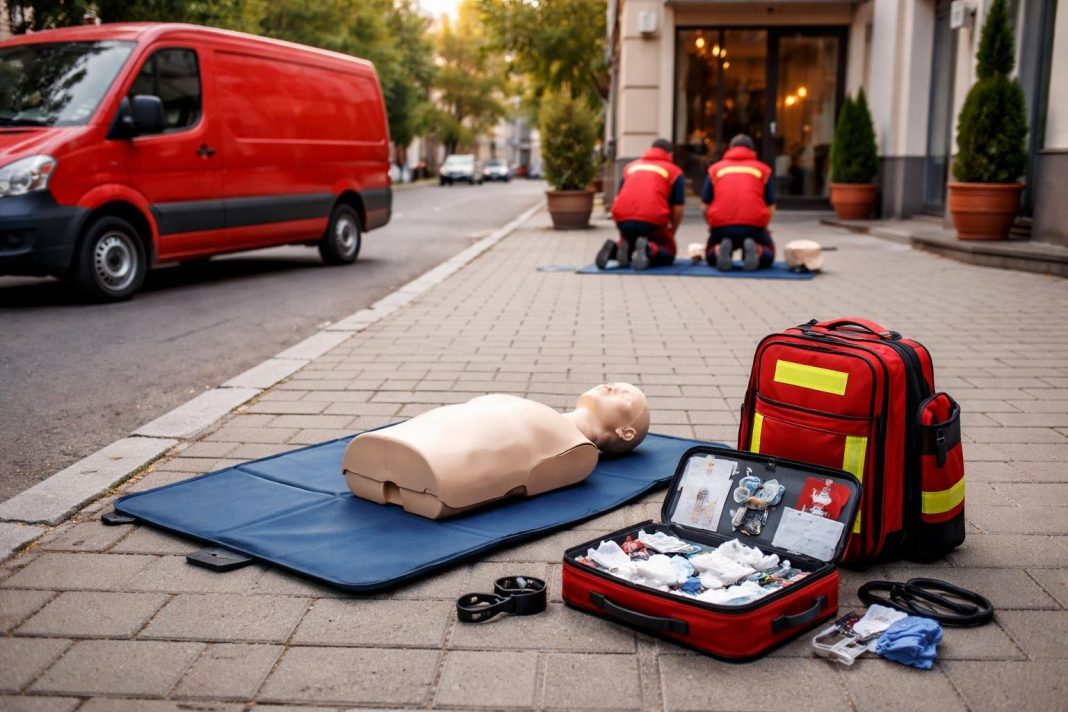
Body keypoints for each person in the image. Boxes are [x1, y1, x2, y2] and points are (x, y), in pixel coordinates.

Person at [342, 383, 651, 519]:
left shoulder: (579, 453)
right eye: (614, 383)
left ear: (626, 433)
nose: (612, 386)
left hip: (448, 461)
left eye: (625, 396)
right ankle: (400, 449)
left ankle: (421, 463)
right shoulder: (564, 435)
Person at [598, 138, 685, 270]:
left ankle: (615, 249)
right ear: (670, 154)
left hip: (622, 220)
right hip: (652, 221)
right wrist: (672, 231)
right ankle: (649, 249)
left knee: (632, 240)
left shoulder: (630, 167)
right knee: (668, 251)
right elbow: (677, 209)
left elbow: (618, 198)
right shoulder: (674, 171)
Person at [701, 134, 776, 271]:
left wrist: (712, 226)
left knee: (710, 255)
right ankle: (757, 250)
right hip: (754, 226)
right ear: (752, 151)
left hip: (722, 225)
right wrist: (763, 227)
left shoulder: (715, 169)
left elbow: (704, 205)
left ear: (730, 149)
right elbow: (770, 205)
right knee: (768, 256)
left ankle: (719, 249)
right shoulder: (764, 170)